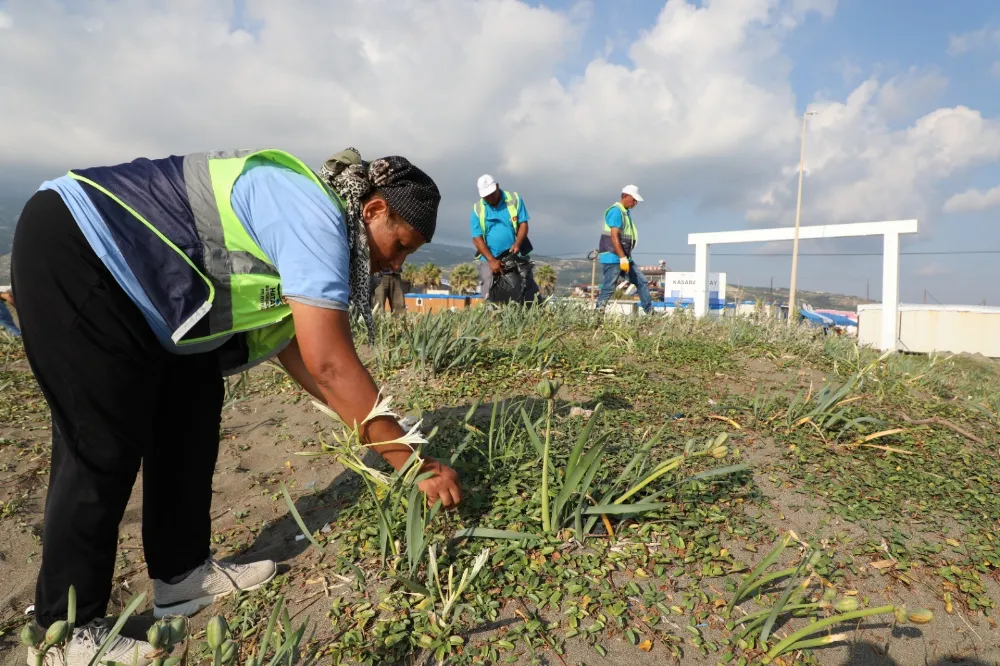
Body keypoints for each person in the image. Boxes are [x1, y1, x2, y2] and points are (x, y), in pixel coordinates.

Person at [11, 147, 461, 666]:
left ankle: (180, 575)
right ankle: (62, 634)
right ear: (374, 210)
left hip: (160, 299)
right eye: (399, 245)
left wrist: (380, 431)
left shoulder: (317, 233)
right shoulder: (313, 215)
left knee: (192, 405)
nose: (395, 263)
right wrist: (411, 464)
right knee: (99, 442)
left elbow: (302, 354)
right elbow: (332, 366)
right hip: (79, 246)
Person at [469, 174, 539, 303]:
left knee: (525, 291)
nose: (489, 198)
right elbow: (476, 238)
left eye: (491, 193)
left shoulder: (514, 199)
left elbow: (523, 224)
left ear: (497, 186)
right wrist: (491, 260)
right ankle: (493, 321)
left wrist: (518, 244)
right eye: (486, 196)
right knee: (490, 295)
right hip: (490, 258)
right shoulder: (477, 209)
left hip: (515, 255)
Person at [595, 185, 653, 314]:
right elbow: (614, 236)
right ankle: (597, 315)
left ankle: (650, 312)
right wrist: (622, 257)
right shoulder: (616, 211)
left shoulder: (625, 212)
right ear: (625, 196)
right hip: (613, 256)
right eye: (634, 199)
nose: (635, 202)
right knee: (609, 287)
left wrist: (624, 258)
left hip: (624, 257)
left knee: (642, 281)